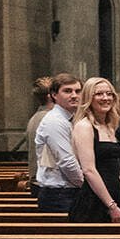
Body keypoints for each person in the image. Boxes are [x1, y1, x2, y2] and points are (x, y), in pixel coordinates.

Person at [68, 77, 120, 223]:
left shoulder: (109, 126)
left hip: (114, 197)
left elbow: (115, 170)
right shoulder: (84, 126)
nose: (106, 98)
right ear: (88, 98)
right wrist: (111, 205)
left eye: (109, 94)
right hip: (94, 200)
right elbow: (89, 170)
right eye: (99, 94)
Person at [33, 74, 84, 212]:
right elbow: (67, 161)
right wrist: (86, 185)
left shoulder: (69, 118)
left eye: (78, 91)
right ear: (54, 95)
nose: (74, 95)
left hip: (66, 191)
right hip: (59, 194)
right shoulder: (55, 121)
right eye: (67, 91)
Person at [25, 75, 55, 194]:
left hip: (38, 180)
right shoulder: (50, 119)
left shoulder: (35, 118)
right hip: (47, 182)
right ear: (51, 95)